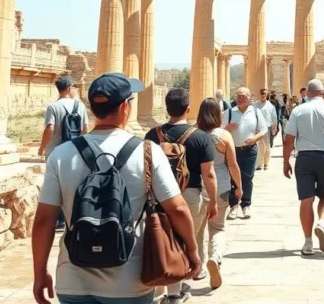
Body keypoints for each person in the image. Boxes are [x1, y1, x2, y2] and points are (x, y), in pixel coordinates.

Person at [33, 73, 199, 304]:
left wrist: (40, 273)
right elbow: (178, 209)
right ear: (125, 107)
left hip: (73, 279)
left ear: (92, 108)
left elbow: (44, 220)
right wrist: (192, 251)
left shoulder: (61, 155)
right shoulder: (148, 151)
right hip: (129, 281)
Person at [145, 88, 218, 298]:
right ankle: (176, 292)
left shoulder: (152, 135)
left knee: (161, 239)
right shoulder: (200, 137)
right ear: (188, 109)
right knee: (185, 241)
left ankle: (160, 289)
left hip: (158, 196)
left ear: (167, 108)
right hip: (189, 194)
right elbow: (209, 174)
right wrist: (212, 201)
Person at [283, 79, 324, 256]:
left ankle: (307, 242)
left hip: (304, 158)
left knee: (306, 200)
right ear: (322, 93)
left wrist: (285, 161)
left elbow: (288, 139)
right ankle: (321, 223)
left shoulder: (298, 110)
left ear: (308, 92)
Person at [197, 98, 243, 291]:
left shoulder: (194, 134)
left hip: (197, 188)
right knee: (217, 228)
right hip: (221, 187)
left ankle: (199, 268)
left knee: (198, 230)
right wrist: (239, 187)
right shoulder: (224, 135)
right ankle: (215, 257)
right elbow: (232, 164)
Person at [222, 87, 268, 219]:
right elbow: (219, 131)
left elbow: (263, 129)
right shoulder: (228, 113)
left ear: (249, 98)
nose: (240, 99)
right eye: (238, 96)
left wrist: (255, 138)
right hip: (232, 150)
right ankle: (233, 206)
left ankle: (246, 204)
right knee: (232, 178)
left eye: (243, 96)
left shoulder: (255, 112)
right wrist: (226, 128)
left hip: (250, 149)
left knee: (247, 178)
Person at [38, 76, 89, 159]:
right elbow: (85, 128)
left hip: (54, 151)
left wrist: (42, 148)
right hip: (74, 150)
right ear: (69, 89)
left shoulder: (53, 107)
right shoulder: (80, 106)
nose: (77, 90)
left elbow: (50, 129)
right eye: (75, 87)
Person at [253, 89, 277, 171]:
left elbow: (274, 117)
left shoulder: (270, 106)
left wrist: (275, 127)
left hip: (267, 128)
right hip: (258, 128)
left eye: (265, 94)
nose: (263, 96)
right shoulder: (255, 105)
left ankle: (266, 163)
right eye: (262, 94)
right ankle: (259, 164)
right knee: (259, 146)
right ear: (259, 95)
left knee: (267, 147)